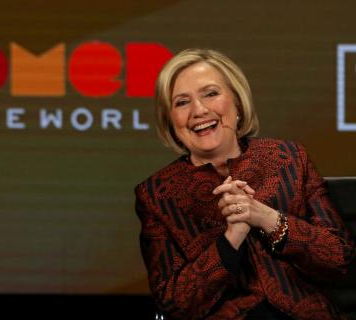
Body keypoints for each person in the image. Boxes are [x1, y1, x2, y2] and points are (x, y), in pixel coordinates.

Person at [134, 48, 355, 320]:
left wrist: (266, 217)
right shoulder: (157, 194)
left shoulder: (289, 159)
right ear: (171, 121)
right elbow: (174, 304)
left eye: (211, 94)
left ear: (237, 102)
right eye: (181, 102)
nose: (199, 110)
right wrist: (231, 238)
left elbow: (339, 259)